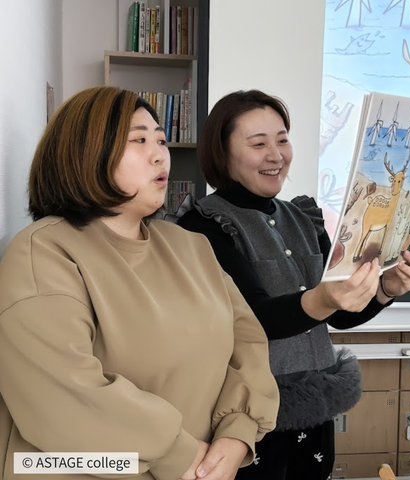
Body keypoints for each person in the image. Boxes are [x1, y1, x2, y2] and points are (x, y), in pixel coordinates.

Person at [0, 86, 280, 480]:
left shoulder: (191, 246)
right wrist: (180, 455)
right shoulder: (43, 252)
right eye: (139, 140)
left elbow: (247, 345)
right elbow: (60, 397)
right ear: (86, 151)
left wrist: (238, 432)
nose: (159, 154)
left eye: (161, 140)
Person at [175, 90, 410, 480]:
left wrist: (386, 288)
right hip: (245, 416)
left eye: (282, 140)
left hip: (315, 409)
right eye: (258, 144)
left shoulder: (304, 217)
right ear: (222, 154)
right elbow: (254, 319)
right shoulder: (204, 225)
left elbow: (339, 315)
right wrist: (321, 298)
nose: (276, 155)